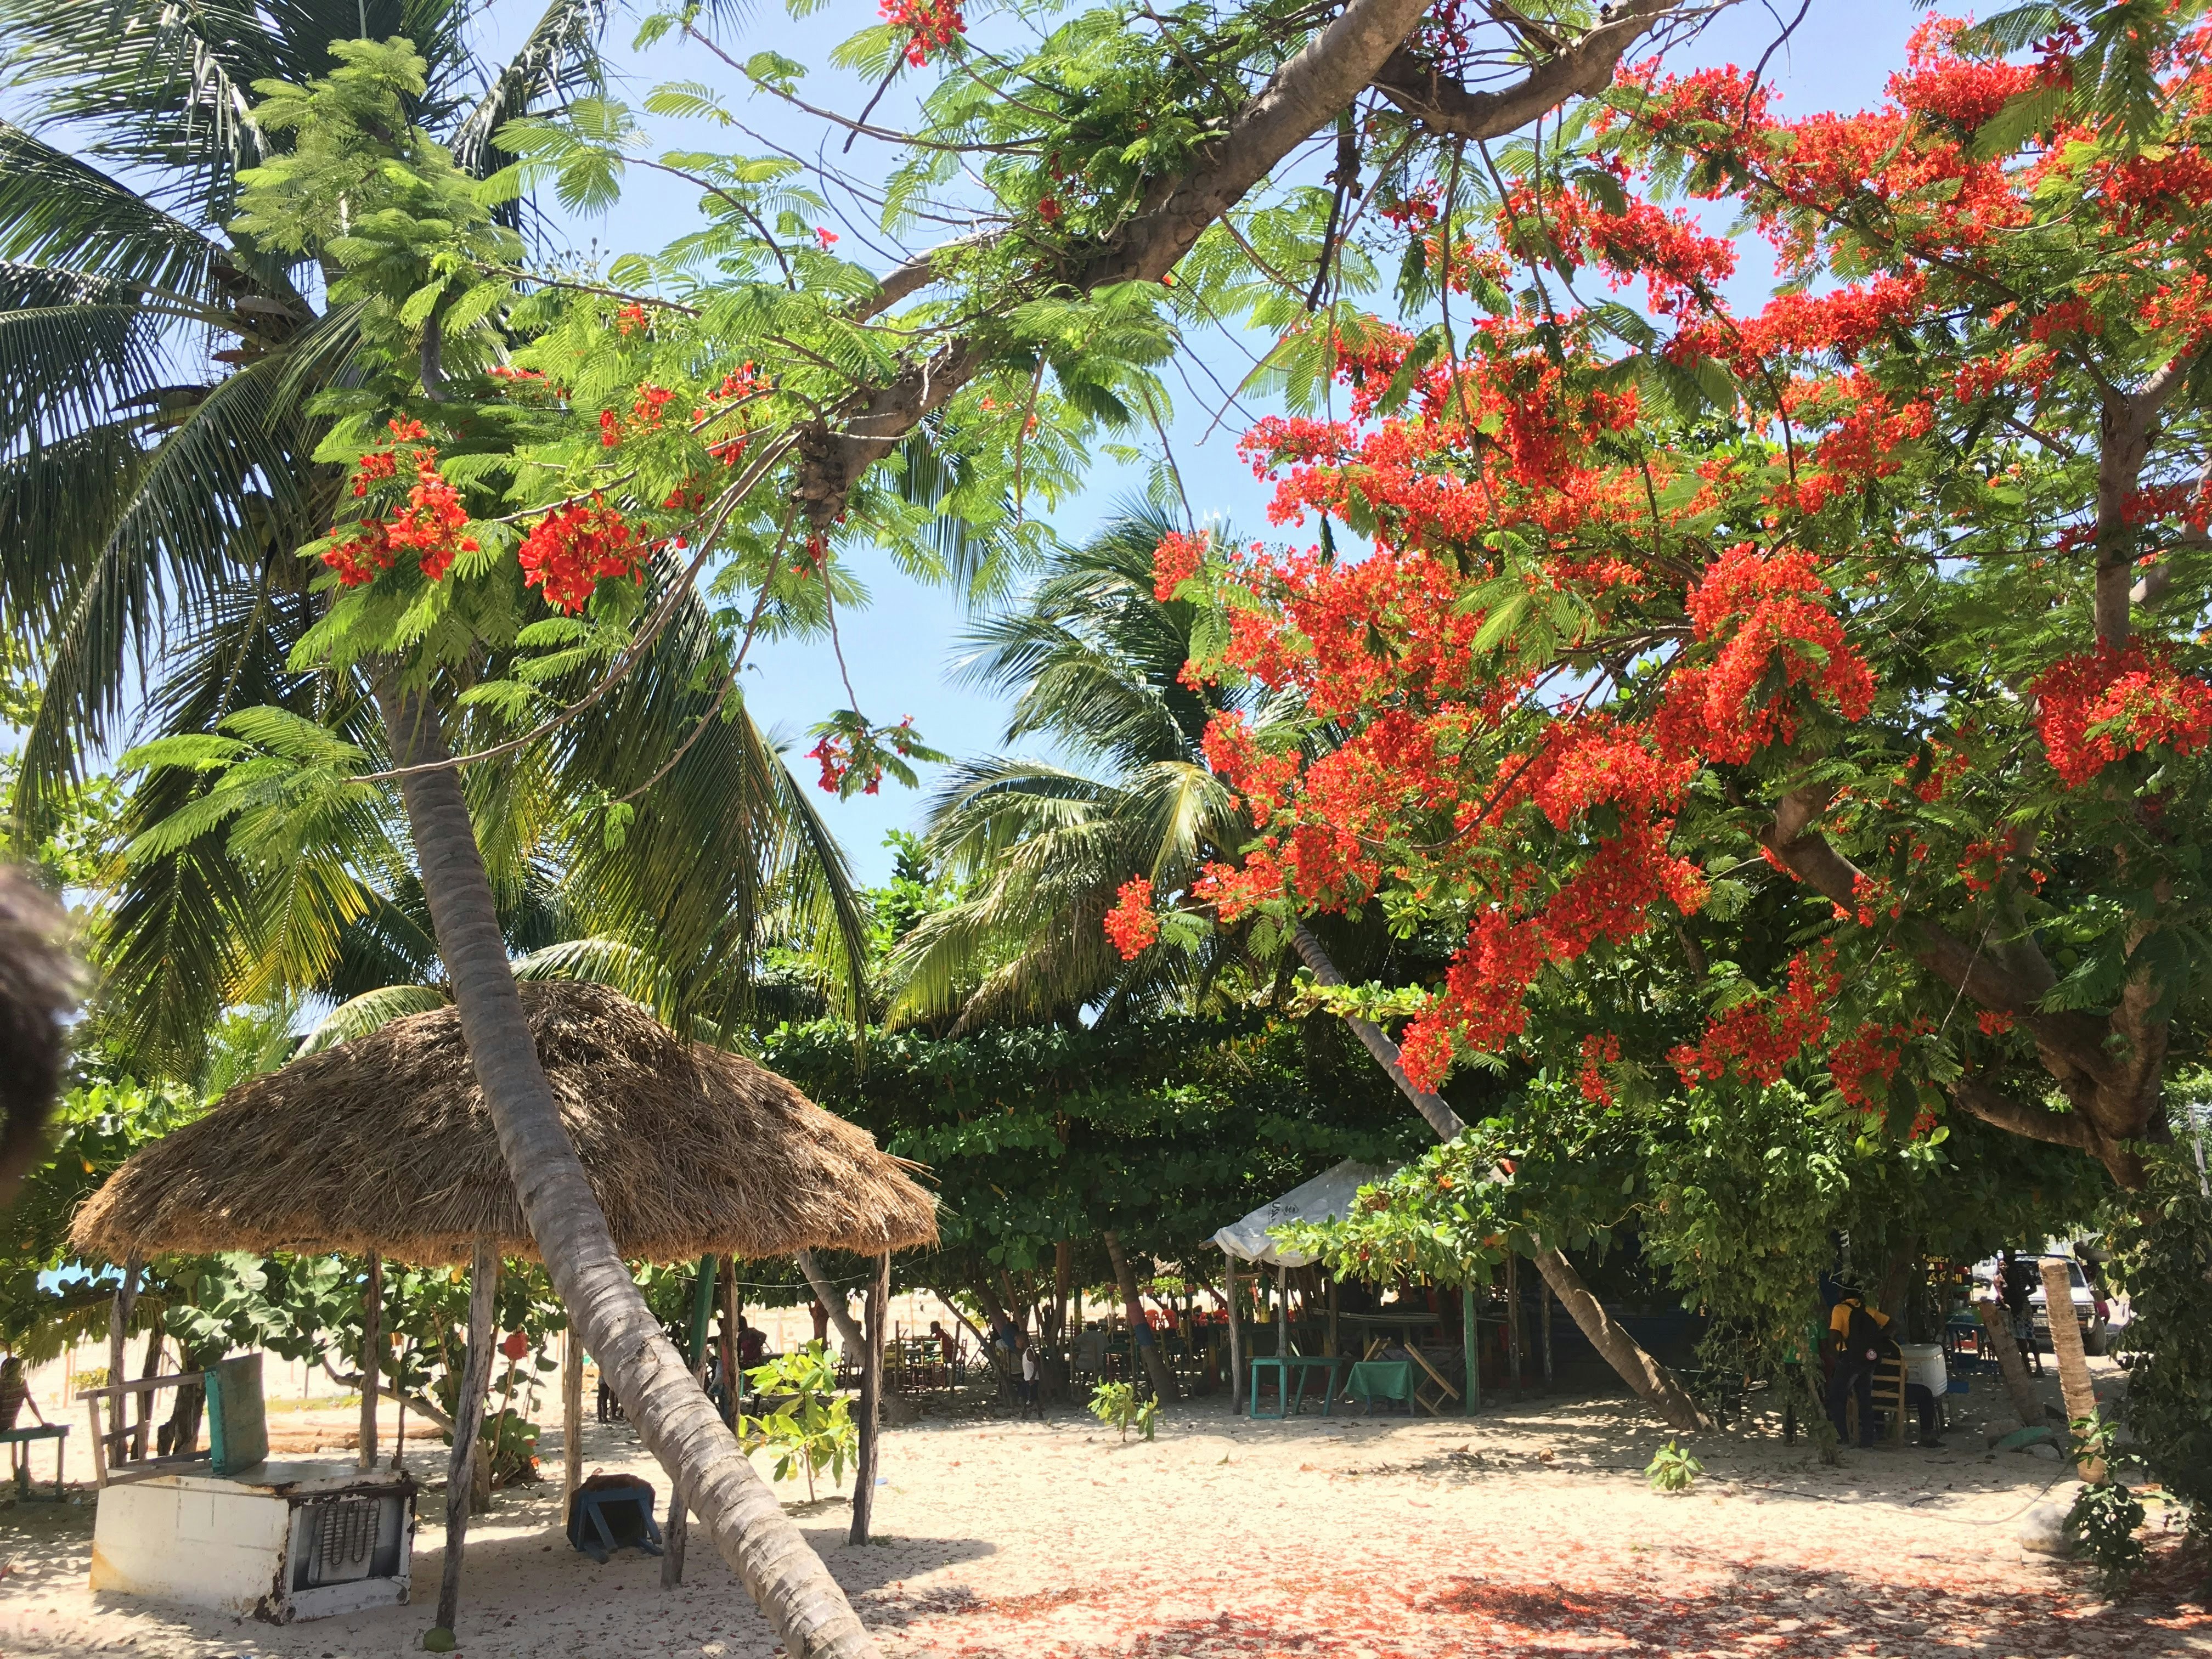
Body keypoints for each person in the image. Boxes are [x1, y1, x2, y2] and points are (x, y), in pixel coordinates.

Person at [1826, 1286, 1900, 1449]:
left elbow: (1833, 1336)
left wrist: (1835, 1354)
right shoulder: (1869, 1310)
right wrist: (1875, 1338)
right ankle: (1867, 1439)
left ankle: (1843, 1437)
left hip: (1850, 1359)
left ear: (1844, 1293)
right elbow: (1893, 1325)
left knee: (1837, 1397)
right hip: (1868, 1359)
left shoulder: (1840, 1309)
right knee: (1865, 1398)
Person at [1997, 1249, 2044, 1376]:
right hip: (2026, 1305)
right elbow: (2033, 1288)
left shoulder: (2011, 1271)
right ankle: (2039, 1367)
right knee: (2030, 1335)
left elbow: (2012, 1289)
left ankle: (2027, 1367)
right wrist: (2024, 1294)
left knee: (2020, 1337)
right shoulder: (2023, 1269)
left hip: (2017, 1306)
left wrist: (2015, 1298)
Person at [1018, 1333, 1041, 1420]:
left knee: (1031, 1399)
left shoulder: (1029, 1352)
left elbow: (1036, 1363)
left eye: (1017, 1341)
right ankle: (1040, 1414)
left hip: (1031, 1379)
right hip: (1027, 1378)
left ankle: (1025, 1414)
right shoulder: (1024, 1352)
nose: (1017, 1344)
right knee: (1027, 1396)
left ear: (1023, 1341)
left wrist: (1033, 1377)